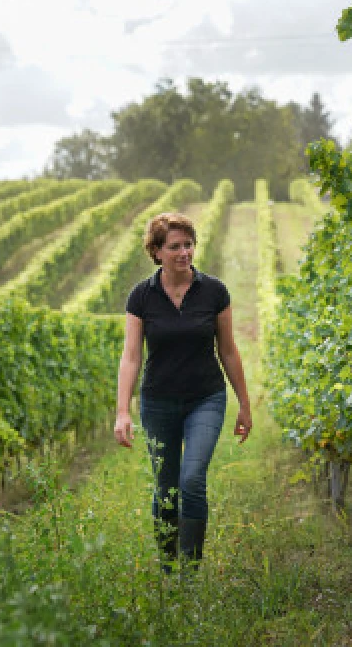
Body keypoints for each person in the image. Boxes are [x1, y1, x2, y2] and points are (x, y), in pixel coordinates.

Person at [113, 212, 251, 573]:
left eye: (188, 244)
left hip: (206, 398)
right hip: (158, 402)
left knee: (191, 480)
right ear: (156, 252)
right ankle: (167, 566)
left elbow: (229, 350)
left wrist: (244, 405)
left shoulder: (214, 292)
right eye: (175, 246)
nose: (184, 252)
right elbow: (130, 357)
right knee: (166, 488)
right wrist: (122, 411)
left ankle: (190, 573)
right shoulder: (142, 297)